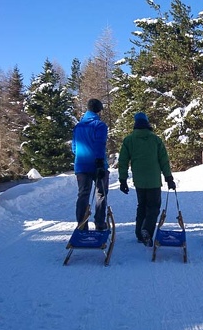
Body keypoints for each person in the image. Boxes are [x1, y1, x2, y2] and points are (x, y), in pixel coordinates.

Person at [117, 112, 176, 245]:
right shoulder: (155, 140)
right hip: (154, 180)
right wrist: (168, 177)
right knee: (153, 207)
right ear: (147, 123)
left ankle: (139, 234)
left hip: (139, 180)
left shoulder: (129, 140)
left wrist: (123, 180)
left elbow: (123, 161)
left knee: (142, 206)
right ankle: (147, 231)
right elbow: (164, 160)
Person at [72, 98, 109, 230]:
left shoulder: (78, 127)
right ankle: (99, 223)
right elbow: (100, 144)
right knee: (101, 194)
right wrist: (99, 161)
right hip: (97, 165)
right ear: (99, 111)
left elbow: (74, 148)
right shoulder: (100, 125)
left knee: (83, 194)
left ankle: (82, 225)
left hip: (81, 165)